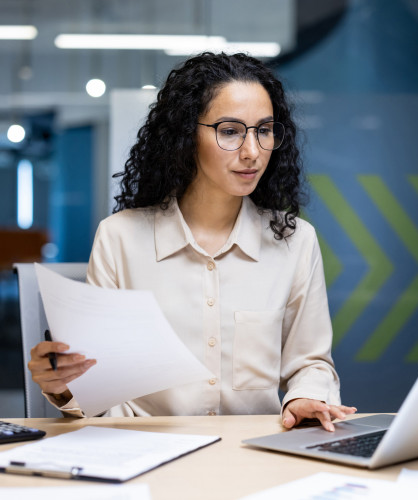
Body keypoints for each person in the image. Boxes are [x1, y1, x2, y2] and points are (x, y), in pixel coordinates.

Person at [28, 52, 356, 431]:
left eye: (264, 130)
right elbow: (98, 383)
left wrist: (304, 397)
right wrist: (64, 385)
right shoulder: (119, 237)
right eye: (230, 131)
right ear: (186, 134)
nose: (252, 151)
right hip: (144, 456)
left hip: (254, 457)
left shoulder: (295, 241)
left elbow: (311, 363)